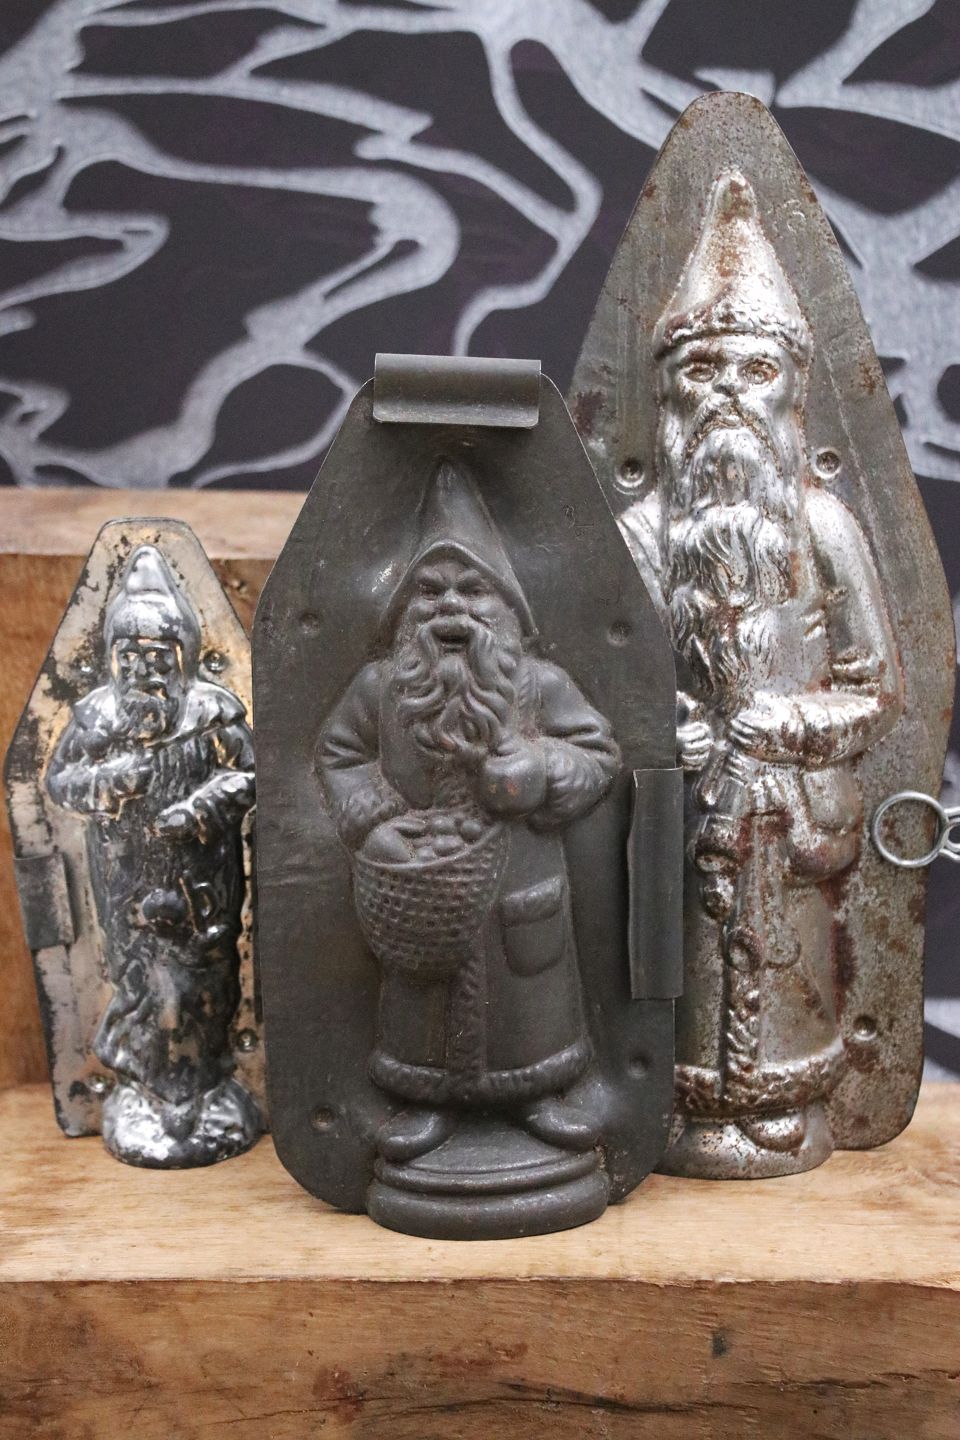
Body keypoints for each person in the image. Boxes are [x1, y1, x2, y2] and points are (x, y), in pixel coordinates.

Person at [620, 172, 904, 1175]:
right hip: (678, 806)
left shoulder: (825, 528)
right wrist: (665, 728)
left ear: (790, 387)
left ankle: (784, 1096)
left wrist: (787, 725)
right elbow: (600, 677)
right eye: (703, 369)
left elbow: (880, 689)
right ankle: (673, 1097)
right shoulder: (639, 533)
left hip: (792, 811)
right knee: (673, 956)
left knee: (788, 952)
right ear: (668, 391)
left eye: (753, 367)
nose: (728, 391)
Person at [319, 461, 620, 1164]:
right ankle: (425, 1099)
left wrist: (541, 769)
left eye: (472, 589)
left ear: (506, 607)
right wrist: (374, 824)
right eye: (430, 590)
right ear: (406, 607)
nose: (450, 608)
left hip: (521, 885)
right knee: (421, 994)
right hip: (417, 879)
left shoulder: (541, 686)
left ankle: (537, 1093)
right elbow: (338, 755)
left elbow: (599, 753)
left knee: (529, 1003)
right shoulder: (379, 690)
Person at [47, 545, 260, 1166]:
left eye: (157, 656)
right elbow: (60, 782)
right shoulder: (97, 718)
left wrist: (199, 809)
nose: (144, 669)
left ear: (182, 654)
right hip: (127, 883)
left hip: (203, 883)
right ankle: (148, 1086)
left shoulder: (211, 713)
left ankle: (206, 1081)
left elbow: (251, 775)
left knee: (204, 984)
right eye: (130, 656)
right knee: (141, 982)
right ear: (113, 659)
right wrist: (110, 779)